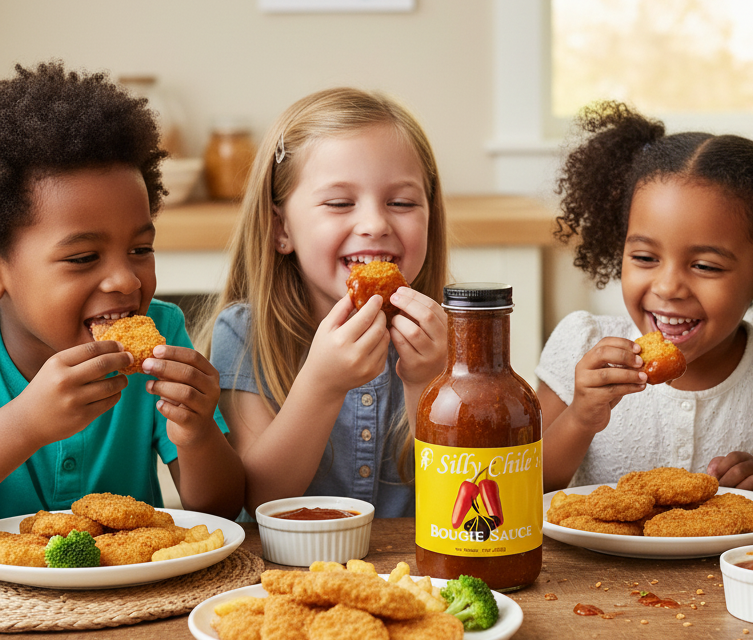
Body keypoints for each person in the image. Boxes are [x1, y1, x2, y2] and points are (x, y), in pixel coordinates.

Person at [537, 101, 753, 493]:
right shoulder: (582, 344)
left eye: (705, 266)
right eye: (645, 258)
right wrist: (580, 417)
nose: (667, 287)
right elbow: (523, 483)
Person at [0, 62, 244, 518]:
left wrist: (196, 434)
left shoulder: (163, 329)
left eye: (140, 249)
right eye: (83, 257)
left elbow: (221, 509)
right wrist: (25, 424)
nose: (126, 280)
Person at [203, 88, 448, 518]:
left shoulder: (455, 336)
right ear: (281, 228)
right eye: (339, 203)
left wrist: (428, 383)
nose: (374, 224)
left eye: (402, 202)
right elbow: (258, 500)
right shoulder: (244, 335)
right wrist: (322, 385)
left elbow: (462, 495)